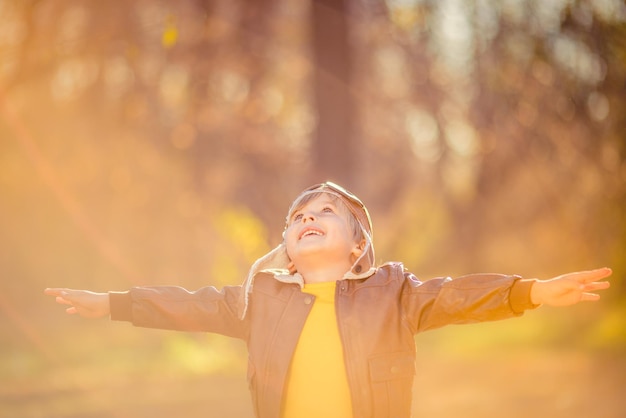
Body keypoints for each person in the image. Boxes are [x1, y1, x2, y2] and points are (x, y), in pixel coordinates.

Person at [45, 181, 612, 418]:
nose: (307, 218)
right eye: (297, 217)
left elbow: (457, 296)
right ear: (288, 248)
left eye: (324, 213)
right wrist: (114, 303)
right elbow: (188, 303)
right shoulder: (259, 299)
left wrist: (530, 291)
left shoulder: (393, 293)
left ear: (358, 244)